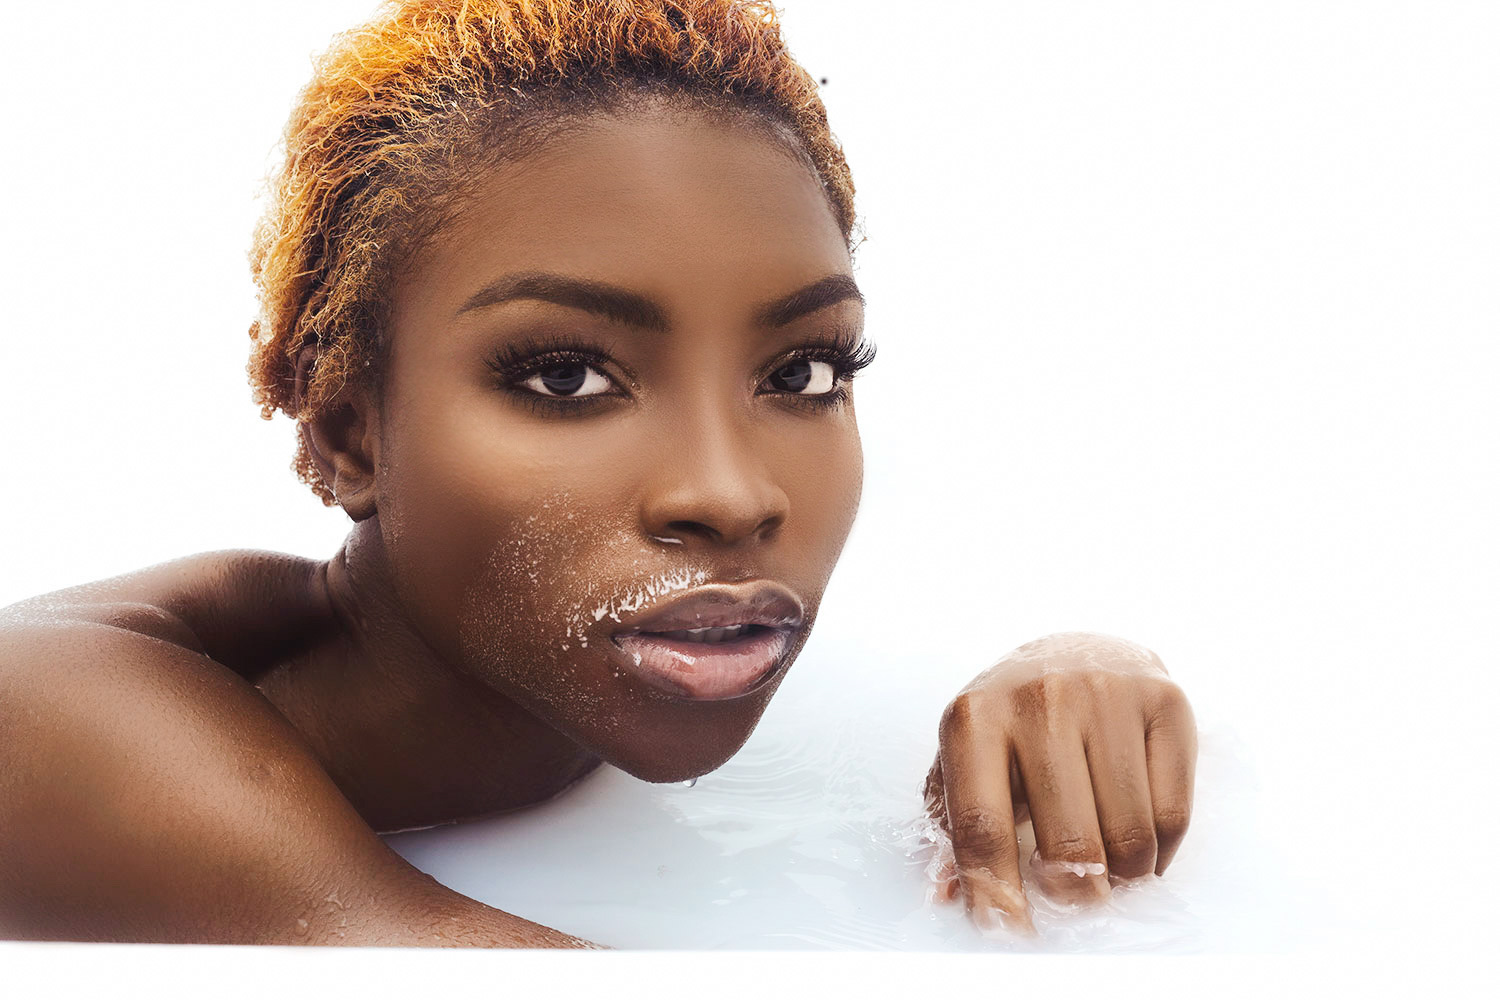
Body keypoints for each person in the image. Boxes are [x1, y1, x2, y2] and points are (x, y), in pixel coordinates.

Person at [0, 0, 1196, 947]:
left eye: (803, 371)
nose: (732, 494)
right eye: (567, 376)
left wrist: (1082, 667)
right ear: (349, 429)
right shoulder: (46, 707)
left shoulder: (598, 667)